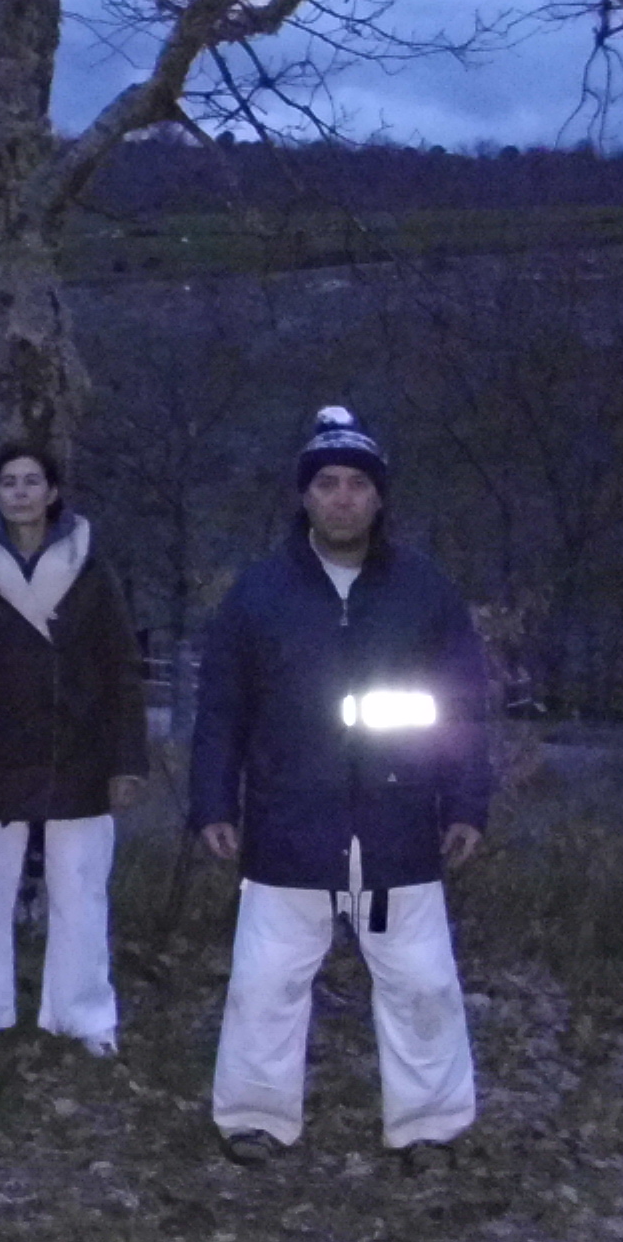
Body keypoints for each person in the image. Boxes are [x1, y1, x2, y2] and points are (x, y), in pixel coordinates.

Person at [189, 407, 491, 1169]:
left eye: (358, 484)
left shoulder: (425, 592)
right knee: (264, 985)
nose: (343, 498)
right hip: (290, 824)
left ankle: (428, 1126)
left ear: (379, 496)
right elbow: (221, 710)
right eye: (327, 483)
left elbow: (463, 705)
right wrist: (214, 802)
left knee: (422, 985)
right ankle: (255, 1118)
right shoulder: (259, 594)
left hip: (400, 825)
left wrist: (466, 803)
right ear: (305, 496)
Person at [0, 444, 148, 1055]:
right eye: (9, 482)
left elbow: (120, 668)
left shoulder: (91, 568)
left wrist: (127, 760)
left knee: (82, 894)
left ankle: (86, 1018)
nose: (20, 492)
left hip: (79, 753)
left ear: (52, 491)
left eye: (31, 481)